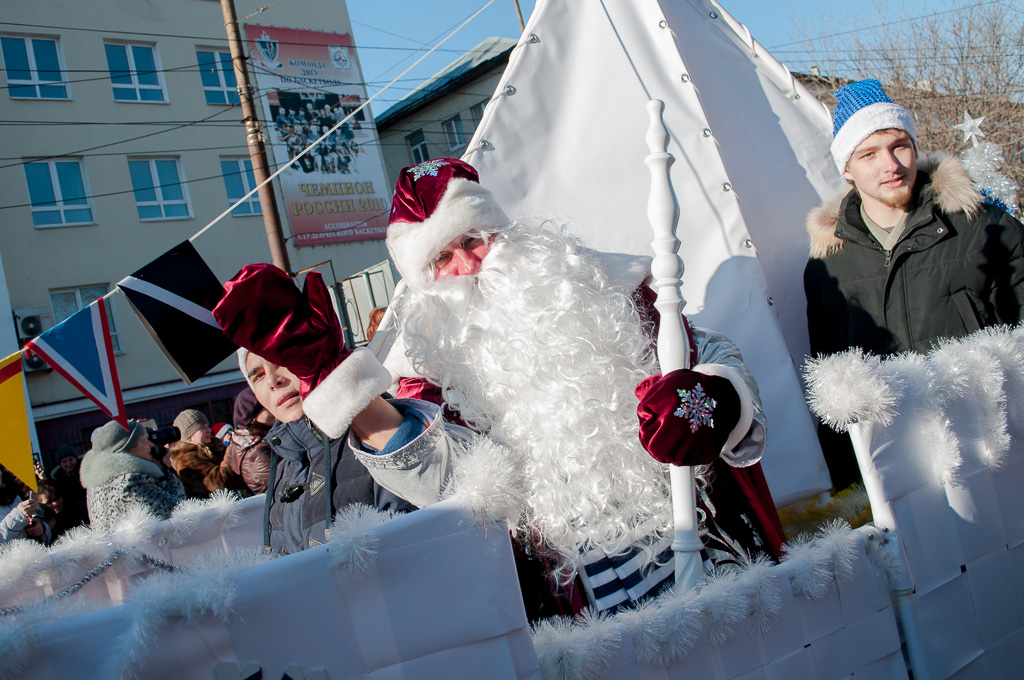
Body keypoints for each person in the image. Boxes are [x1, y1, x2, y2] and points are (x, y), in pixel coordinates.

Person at [384, 158, 785, 614]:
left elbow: (710, 351)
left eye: (473, 239)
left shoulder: (604, 287)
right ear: (424, 283)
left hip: (701, 539)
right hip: (578, 594)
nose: (469, 264)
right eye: (442, 258)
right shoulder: (428, 380)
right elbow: (438, 485)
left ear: (501, 233)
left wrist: (712, 398)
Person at [803, 79, 1024, 488]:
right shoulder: (828, 266)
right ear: (847, 169)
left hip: (994, 454)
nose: (891, 165)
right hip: (897, 471)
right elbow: (831, 385)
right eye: (869, 154)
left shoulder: (984, 228)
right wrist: (849, 483)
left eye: (899, 146)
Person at [212, 264, 469, 555]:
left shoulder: (373, 432)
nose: (273, 380)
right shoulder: (283, 462)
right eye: (257, 375)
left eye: (280, 361)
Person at [79, 420, 186, 533]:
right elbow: (179, 509)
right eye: (145, 441)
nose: (151, 445)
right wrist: (166, 471)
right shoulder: (132, 481)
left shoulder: (97, 482)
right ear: (130, 448)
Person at [168, 409, 248, 499]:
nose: (209, 430)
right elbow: (217, 485)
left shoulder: (217, 447)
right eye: (202, 428)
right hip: (218, 506)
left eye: (208, 426)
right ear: (189, 435)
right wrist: (231, 452)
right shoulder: (186, 459)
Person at [225, 387, 273, 495]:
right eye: (266, 406)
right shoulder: (258, 453)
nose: (273, 408)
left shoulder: (260, 439)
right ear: (252, 416)